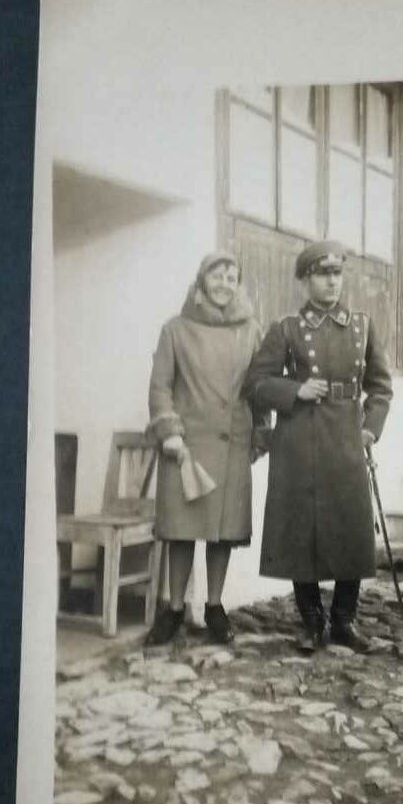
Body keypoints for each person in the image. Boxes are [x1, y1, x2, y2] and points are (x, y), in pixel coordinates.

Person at [244, 240, 393, 653]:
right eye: (322, 274)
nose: (331, 281)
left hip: (346, 436)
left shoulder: (362, 326)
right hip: (297, 440)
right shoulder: (286, 328)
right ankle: (312, 621)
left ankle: (345, 620)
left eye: (337, 273)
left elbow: (380, 388)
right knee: (299, 531)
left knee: (351, 527)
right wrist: (296, 389)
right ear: (305, 280)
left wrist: (369, 430)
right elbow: (255, 385)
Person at [144, 251, 268, 646]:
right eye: (217, 276)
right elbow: (160, 386)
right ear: (201, 282)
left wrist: (261, 430)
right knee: (181, 531)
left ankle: (214, 607)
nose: (224, 284)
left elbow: (260, 384)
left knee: (222, 533)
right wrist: (170, 433)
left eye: (232, 277)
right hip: (187, 447)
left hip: (232, 441)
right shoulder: (175, 330)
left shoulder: (251, 330)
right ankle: (174, 609)